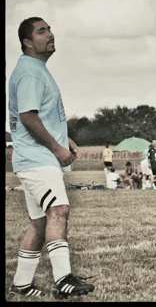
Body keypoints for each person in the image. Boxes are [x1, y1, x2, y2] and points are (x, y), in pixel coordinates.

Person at [7, 17, 95, 298]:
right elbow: (28, 117)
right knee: (59, 210)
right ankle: (63, 280)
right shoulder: (31, 73)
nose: (50, 34)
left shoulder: (34, 69)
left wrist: (62, 138)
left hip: (33, 158)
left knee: (40, 223)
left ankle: (21, 284)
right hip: (38, 160)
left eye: (50, 29)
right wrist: (57, 149)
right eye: (42, 31)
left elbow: (38, 115)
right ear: (27, 42)